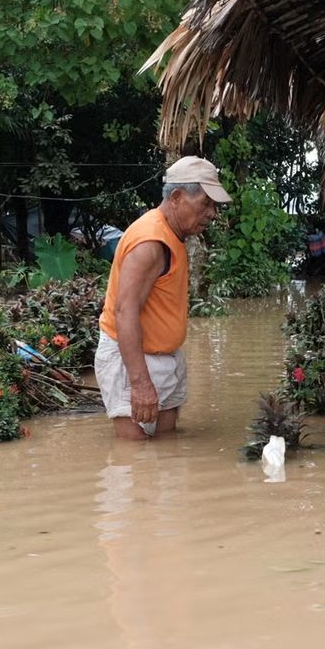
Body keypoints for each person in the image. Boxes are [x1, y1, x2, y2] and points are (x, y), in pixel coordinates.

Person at [95, 156, 230, 439]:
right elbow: (124, 311)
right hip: (133, 360)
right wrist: (140, 383)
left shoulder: (172, 235)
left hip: (165, 356)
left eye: (214, 206)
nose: (212, 213)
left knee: (166, 454)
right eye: (206, 203)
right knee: (133, 458)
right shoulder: (150, 243)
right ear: (178, 197)